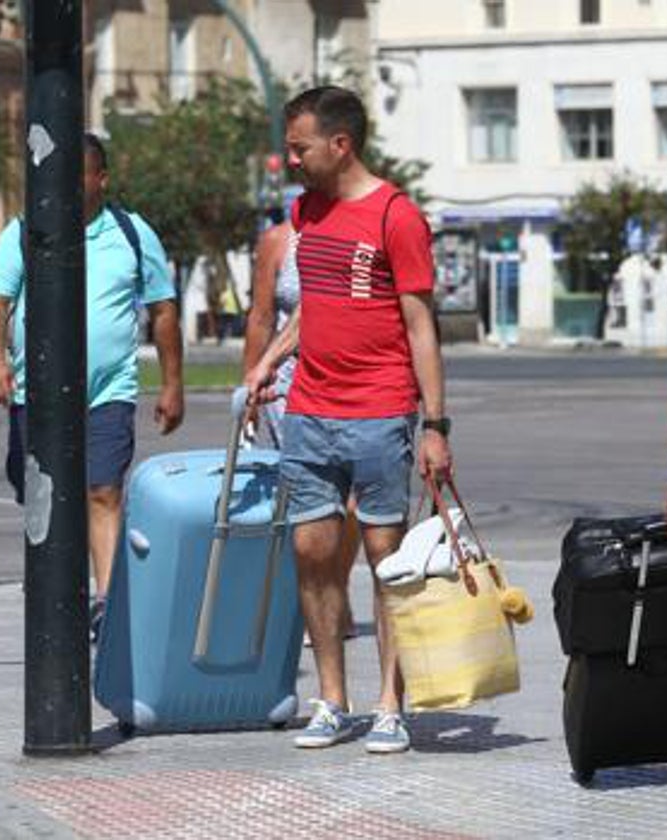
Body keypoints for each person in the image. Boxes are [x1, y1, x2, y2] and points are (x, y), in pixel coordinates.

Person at [246, 86, 452, 755]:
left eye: (300, 146)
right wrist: (271, 361)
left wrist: (435, 425)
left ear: (340, 144)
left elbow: (421, 327)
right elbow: (318, 305)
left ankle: (392, 702)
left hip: (381, 408)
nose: (291, 158)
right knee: (310, 552)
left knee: (384, 558)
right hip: (309, 407)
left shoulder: (397, 216)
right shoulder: (308, 212)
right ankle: (333, 698)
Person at [0, 132, 184, 641]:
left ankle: (106, 602)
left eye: (79, 175)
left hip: (107, 390)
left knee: (103, 490)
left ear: (101, 179)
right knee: (40, 493)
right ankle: (52, 587)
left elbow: (163, 312)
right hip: (36, 393)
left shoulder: (134, 234)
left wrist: (172, 385)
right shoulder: (26, 230)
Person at [243, 210, 358, 643]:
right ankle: (312, 599)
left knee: (349, 503)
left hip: (351, 378)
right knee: (308, 497)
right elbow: (261, 316)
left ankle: (336, 586)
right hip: (290, 384)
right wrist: (250, 381)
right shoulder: (278, 240)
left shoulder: (359, 229)